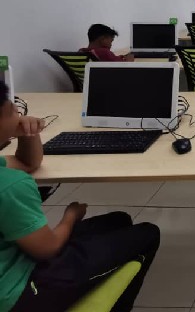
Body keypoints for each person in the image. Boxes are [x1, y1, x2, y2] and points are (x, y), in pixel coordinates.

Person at [0, 81, 160, 312]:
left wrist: (28, 133)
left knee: (118, 220)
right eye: (12, 110)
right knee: (148, 234)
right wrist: (70, 217)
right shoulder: (10, 185)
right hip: (19, 293)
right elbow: (48, 249)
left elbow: (27, 162)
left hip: (14, 258)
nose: (18, 112)